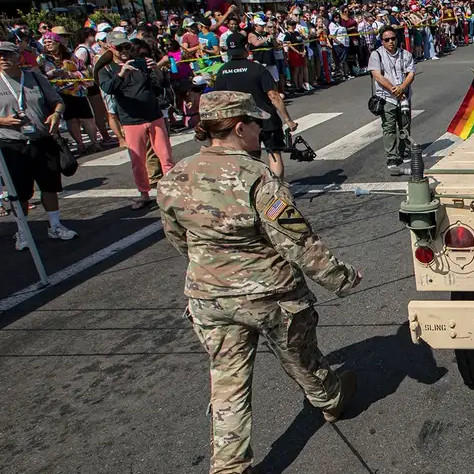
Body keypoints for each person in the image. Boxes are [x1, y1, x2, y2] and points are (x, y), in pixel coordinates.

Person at [156, 91, 362, 474]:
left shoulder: (176, 175)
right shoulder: (257, 177)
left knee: (227, 382)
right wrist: (342, 278)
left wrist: (213, 269)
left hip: (210, 297)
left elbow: (178, 238)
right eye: (255, 124)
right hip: (272, 295)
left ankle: (230, 466)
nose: (259, 130)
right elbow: (297, 243)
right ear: (238, 128)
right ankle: (331, 401)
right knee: (300, 357)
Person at [0, 41, 78, 247]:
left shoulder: (35, 77)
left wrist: (56, 115)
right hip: (12, 144)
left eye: (7, 54)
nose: (3, 59)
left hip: (42, 140)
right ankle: (22, 231)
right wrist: (3, 121)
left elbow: (58, 101)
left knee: (49, 185)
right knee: (20, 191)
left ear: (18, 56)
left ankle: (55, 225)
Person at [96, 32, 176, 210]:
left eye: (127, 47)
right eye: (120, 47)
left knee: (165, 156)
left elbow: (158, 86)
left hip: (153, 115)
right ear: (111, 48)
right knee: (137, 161)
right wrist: (122, 73)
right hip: (131, 120)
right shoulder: (106, 70)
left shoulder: (141, 63)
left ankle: (171, 191)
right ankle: (144, 193)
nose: (124, 51)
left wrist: (155, 69)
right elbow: (107, 89)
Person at [213, 32, 298, 179]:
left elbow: (219, 98)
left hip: (241, 121)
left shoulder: (223, 71)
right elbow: (273, 96)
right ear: (246, 47)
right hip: (265, 117)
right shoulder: (256, 68)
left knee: (249, 157)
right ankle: (276, 188)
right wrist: (287, 119)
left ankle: (254, 190)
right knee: (274, 153)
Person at [367, 27, 417, 175]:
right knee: (389, 127)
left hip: (404, 96)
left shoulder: (405, 54)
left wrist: (402, 88)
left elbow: (411, 73)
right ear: (382, 41)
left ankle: (403, 151)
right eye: (386, 39)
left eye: (393, 39)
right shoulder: (376, 55)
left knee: (405, 124)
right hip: (386, 96)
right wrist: (394, 90)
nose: (390, 42)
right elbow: (377, 75)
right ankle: (392, 156)